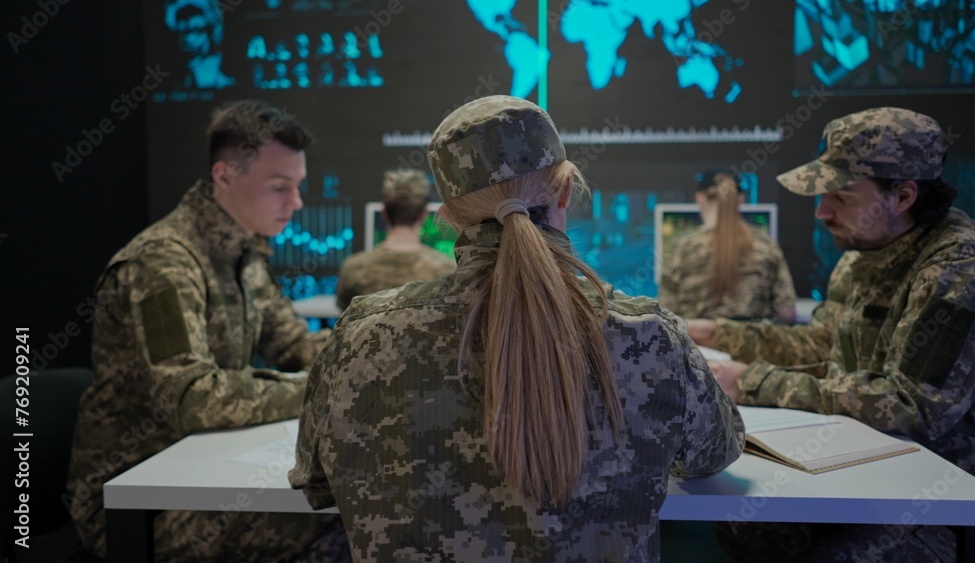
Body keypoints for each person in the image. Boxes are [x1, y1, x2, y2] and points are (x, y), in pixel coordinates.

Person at [290, 95, 744, 561]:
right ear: (566, 191)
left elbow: (316, 480)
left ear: (447, 216)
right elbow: (714, 454)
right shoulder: (651, 336)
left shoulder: (359, 338)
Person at [689, 107, 975, 561]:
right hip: (869, 462)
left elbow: (912, 406)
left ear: (903, 196)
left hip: (942, 492)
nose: (822, 211)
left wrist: (751, 381)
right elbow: (821, 345)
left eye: (842, 197)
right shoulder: (864, 254)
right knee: (749, 527)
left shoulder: (961, 267)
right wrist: (718, 332)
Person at [66, 100, 351, 561]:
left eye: (297, 186)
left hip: (196, 468)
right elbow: (191, 398)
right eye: (280, 187)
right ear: (224, 176)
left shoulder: (242, 252)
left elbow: (295, 344)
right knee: (335, 527)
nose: (295, 202)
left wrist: (365, 356)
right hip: (139, 501)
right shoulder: (162, 262)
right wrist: (315, 389)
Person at [658, 169, 796, 322]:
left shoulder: (682, 247)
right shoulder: (767, 245)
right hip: (751, 344)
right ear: (740, 199)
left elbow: (666, 314)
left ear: (699, 198)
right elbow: (787, 313)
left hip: (697, 344)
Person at [335, 169, 455, 312]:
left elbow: (346, 320)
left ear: (384, 213)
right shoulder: (447, 271)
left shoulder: (353, 269)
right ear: (424, 214)